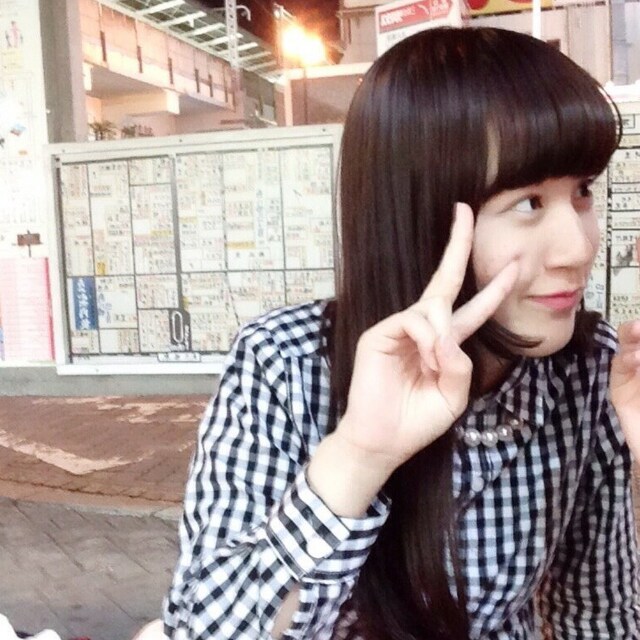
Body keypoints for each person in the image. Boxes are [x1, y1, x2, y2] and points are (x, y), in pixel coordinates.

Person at [164, 26, 640, 639]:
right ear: (423, 215)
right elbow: (203, 630)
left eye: (581, 192)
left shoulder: (590, 371)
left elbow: (600, 618)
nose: (578, 248)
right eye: (528, 203)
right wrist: (359, 454)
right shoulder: (284, 363)